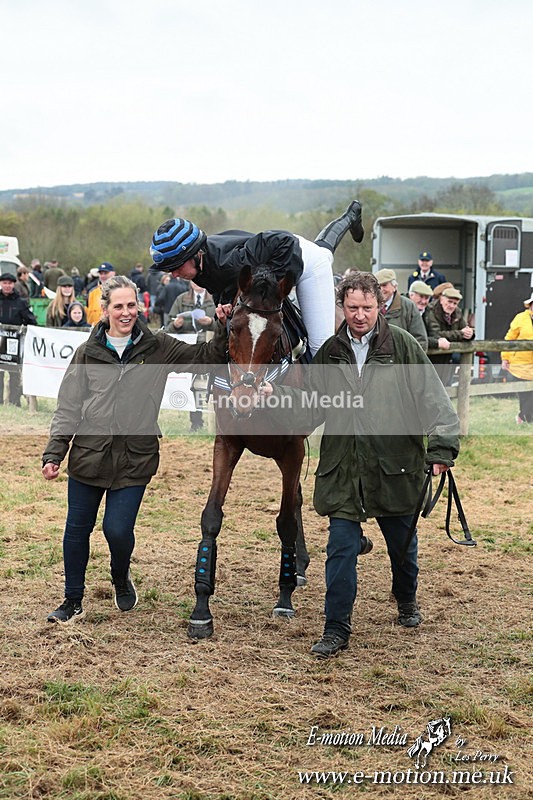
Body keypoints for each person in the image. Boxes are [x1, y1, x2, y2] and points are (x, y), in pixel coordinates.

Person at [259, 271, 459, 658]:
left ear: (379, 307)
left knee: (401, 547)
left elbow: (435, 400)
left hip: (395, 466)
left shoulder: (401, 346)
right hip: (345, 469)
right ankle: (335, 629)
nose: (360, 315)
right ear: (342, 307)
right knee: (341, 549)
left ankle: (406, 600)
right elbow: (313, 402)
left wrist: (441, 450)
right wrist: (274, 393)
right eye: (352, 308)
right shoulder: (331, 351)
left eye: (367, 307)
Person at [42, 275, 229, 624]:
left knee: (116, 529)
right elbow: (68, 407)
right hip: (88, 456)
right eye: (118, 306)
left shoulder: (157, 346)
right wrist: (55, 453)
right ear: (105, 309)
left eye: (131, 305)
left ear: (139, 307)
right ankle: (72, 600)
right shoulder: (88, 352)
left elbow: (205, 357)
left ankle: (119, 574)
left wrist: (221, 325)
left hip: (135, 459)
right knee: (76, 528)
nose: (126, 312)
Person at [149, 201, 365, 356]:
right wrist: (223, 314)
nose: (174, 274)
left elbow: (285, 241)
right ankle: (351, 216)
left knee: (320, 347)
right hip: (281, 252)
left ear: (196, 254)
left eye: (176, 267)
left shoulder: (230, 262)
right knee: (325, 249)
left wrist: (270, 287)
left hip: (306, 263)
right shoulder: (203, 265)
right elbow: (223, 290)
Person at [166, 280, 216, 431]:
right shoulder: (181, 299)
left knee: (212, 384)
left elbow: (225, 325)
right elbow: (169, 324)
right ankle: (196, 422)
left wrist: (211, 322)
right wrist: (176, 325)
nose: (198, 283)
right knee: (191, 385)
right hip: (189, 348)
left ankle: (215, 421)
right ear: (190, 282)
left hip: (210, 348)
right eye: (195, 281)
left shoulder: (215, 298)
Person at [423, 286, 474, 385]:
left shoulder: (457, 312)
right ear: (442, 299)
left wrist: (470, 334)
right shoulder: (431, 310)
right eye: (449, 301)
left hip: (448, 358)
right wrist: (461, 334)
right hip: (432, 356)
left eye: (455, 303)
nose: (451, 305)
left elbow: (465, 328)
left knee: (445, 387)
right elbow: (435, 334)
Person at [0, 272, 37, 405]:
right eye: (4, 283)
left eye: (9, 283)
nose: (7, 286)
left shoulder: (20, 302)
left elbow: (31, 320)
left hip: (14, 343)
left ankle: (14, 401)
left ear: (13, 284)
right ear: (1, 284)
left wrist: (26, 330)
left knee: (14, 373)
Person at [374, 268, 428, 349]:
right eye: (378, 286)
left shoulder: (408, 306)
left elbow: (420, 340)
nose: (381, 289)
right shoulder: (368, 306)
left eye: (384, 285)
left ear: (395, 287)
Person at [501, 292, 533, 424]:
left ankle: (523, 417)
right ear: (531, 305)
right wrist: (505, 358)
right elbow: (509, 339)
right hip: (520, 363)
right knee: (525, 394)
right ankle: (524, 418)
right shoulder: (520, 318)